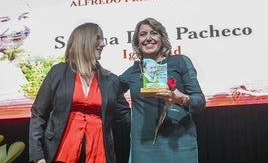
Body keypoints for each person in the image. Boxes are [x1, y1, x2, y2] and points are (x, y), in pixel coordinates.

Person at [29, 22, 131, 163]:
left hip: (98, 154)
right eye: (98, 39)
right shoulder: (58, 73)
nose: (103, 44)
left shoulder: (111, 80)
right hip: (60, 153)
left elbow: (125, 118)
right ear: (84, 40)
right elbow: (38, 114)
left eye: (103, 39)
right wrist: (37, 156)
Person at [119, 17, 206, 163]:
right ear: (137, 42)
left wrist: (182, 99)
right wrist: (128, 117)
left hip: (179, 144)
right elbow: (109, 91)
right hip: (143, 147)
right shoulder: (134, 70)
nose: (148, 38)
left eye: (154, 33)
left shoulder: (179, 62)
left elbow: (200, 102)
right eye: (143, 34)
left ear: (162, 38)